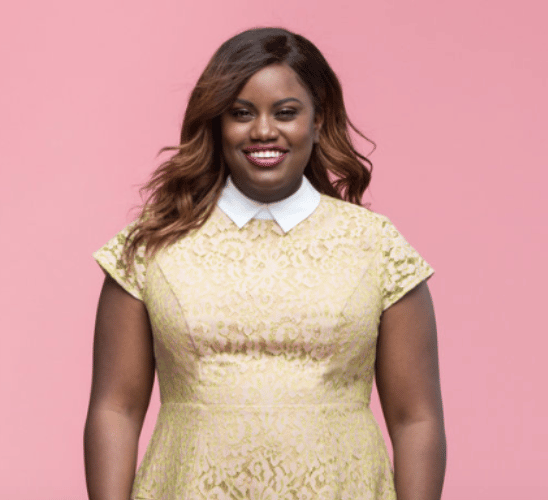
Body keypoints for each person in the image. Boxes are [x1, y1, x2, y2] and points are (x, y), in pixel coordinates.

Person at [84, 27, 446, 500]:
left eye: (286, 112)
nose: (263, 131)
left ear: (318, 122)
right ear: (217, 124)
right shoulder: (150, 246)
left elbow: (415, 417)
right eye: (241, 114)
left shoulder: (377, 247)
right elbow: (116, 408)